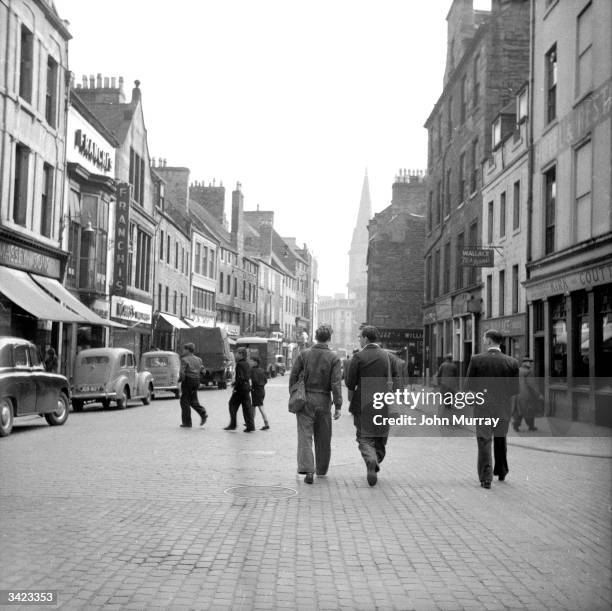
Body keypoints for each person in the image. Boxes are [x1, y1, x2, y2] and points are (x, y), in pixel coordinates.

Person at [464, 329, 519, 489]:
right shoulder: (512, 362)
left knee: (484, 441)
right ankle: (501, 471)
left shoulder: (476, 360)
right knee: (501, 439)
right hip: (503, 408)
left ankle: (486, 478)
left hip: (483, 408)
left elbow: (468, 386)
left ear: (489, 341)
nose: (482, 340)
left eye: (484, 338)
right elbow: (515, 390)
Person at [346, 325, 399, 486]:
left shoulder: (358, 357)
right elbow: (396, 381)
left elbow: (349, 382)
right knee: (380, 436)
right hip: (382, 402)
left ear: (366, 339)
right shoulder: (388, 357)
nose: (359, 340)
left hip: (362, 403)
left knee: (364, 437)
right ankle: (376, 459)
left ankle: (370, 459)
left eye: (360, 337)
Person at [289, 324, 342, 484]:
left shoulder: (304, 354)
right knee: (324, 436)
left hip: (305, 399)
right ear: (329, 338)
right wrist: (338, 405)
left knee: (305, 436)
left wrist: (294, 393)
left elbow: (293, 376)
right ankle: (321, 469)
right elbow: (336, 384)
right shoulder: (334, 358)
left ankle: (308, 470)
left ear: (315, 337)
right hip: (324, 399)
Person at [224, 347, 255, 432]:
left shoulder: (240, 364)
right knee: (247, 407)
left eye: (237, 353)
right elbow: (246, 376)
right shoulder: (247, 363)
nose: (235, 355)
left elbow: (240, 377)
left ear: (241, 354)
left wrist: (236, 386)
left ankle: (233, 424)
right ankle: (251, 425)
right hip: (246, 387)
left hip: (240, 388)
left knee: (232, 404)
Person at [178, 343, 207, 428]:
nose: (183, 351)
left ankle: (187, 423)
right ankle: (203, 413)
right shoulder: (199, 359)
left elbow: (182, 372)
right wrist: (198, 376)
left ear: (187, 350)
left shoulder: (184, 359)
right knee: (193, 400)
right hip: (196, 381)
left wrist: (180, 379)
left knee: (184, 401)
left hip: (188, 381)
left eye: (184, 349)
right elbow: (203, 371)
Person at [513, 356, 543, 432]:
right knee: (529, 410)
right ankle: (531, 426)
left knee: (519, 411)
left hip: (517, 394)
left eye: (530, 362)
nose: (530, 364)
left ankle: (516, 425)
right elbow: (532, 385)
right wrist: (538, 394)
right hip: (526, 395)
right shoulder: (528, 372)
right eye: (529, 362)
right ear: (525, 363)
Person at [251, 356, 269, 430]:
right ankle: (250, 422)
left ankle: (266, 423)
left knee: (260, 407)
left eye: (252, 361)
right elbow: (265, 380)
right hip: (262, 390)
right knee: (253, 407)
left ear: (255, 362)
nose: (250, 362)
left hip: (256, 391)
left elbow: (254, 381)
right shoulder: (261, 370)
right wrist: (261, 385)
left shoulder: (252, 370)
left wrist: (251, 387)